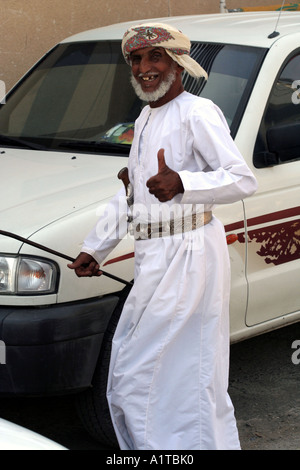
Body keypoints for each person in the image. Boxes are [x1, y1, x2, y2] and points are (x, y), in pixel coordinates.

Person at [68, 23, 258, 450]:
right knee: (153, 376)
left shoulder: (198, 112)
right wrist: (94, 247)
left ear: (177, 64)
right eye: (136, 60)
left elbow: (242, 180)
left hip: (190, 255)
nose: (144, 68)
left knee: (153, 376)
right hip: (154, 257)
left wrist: (184, 183)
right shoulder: (146, 116)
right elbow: (132, 194)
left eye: (155, 57)